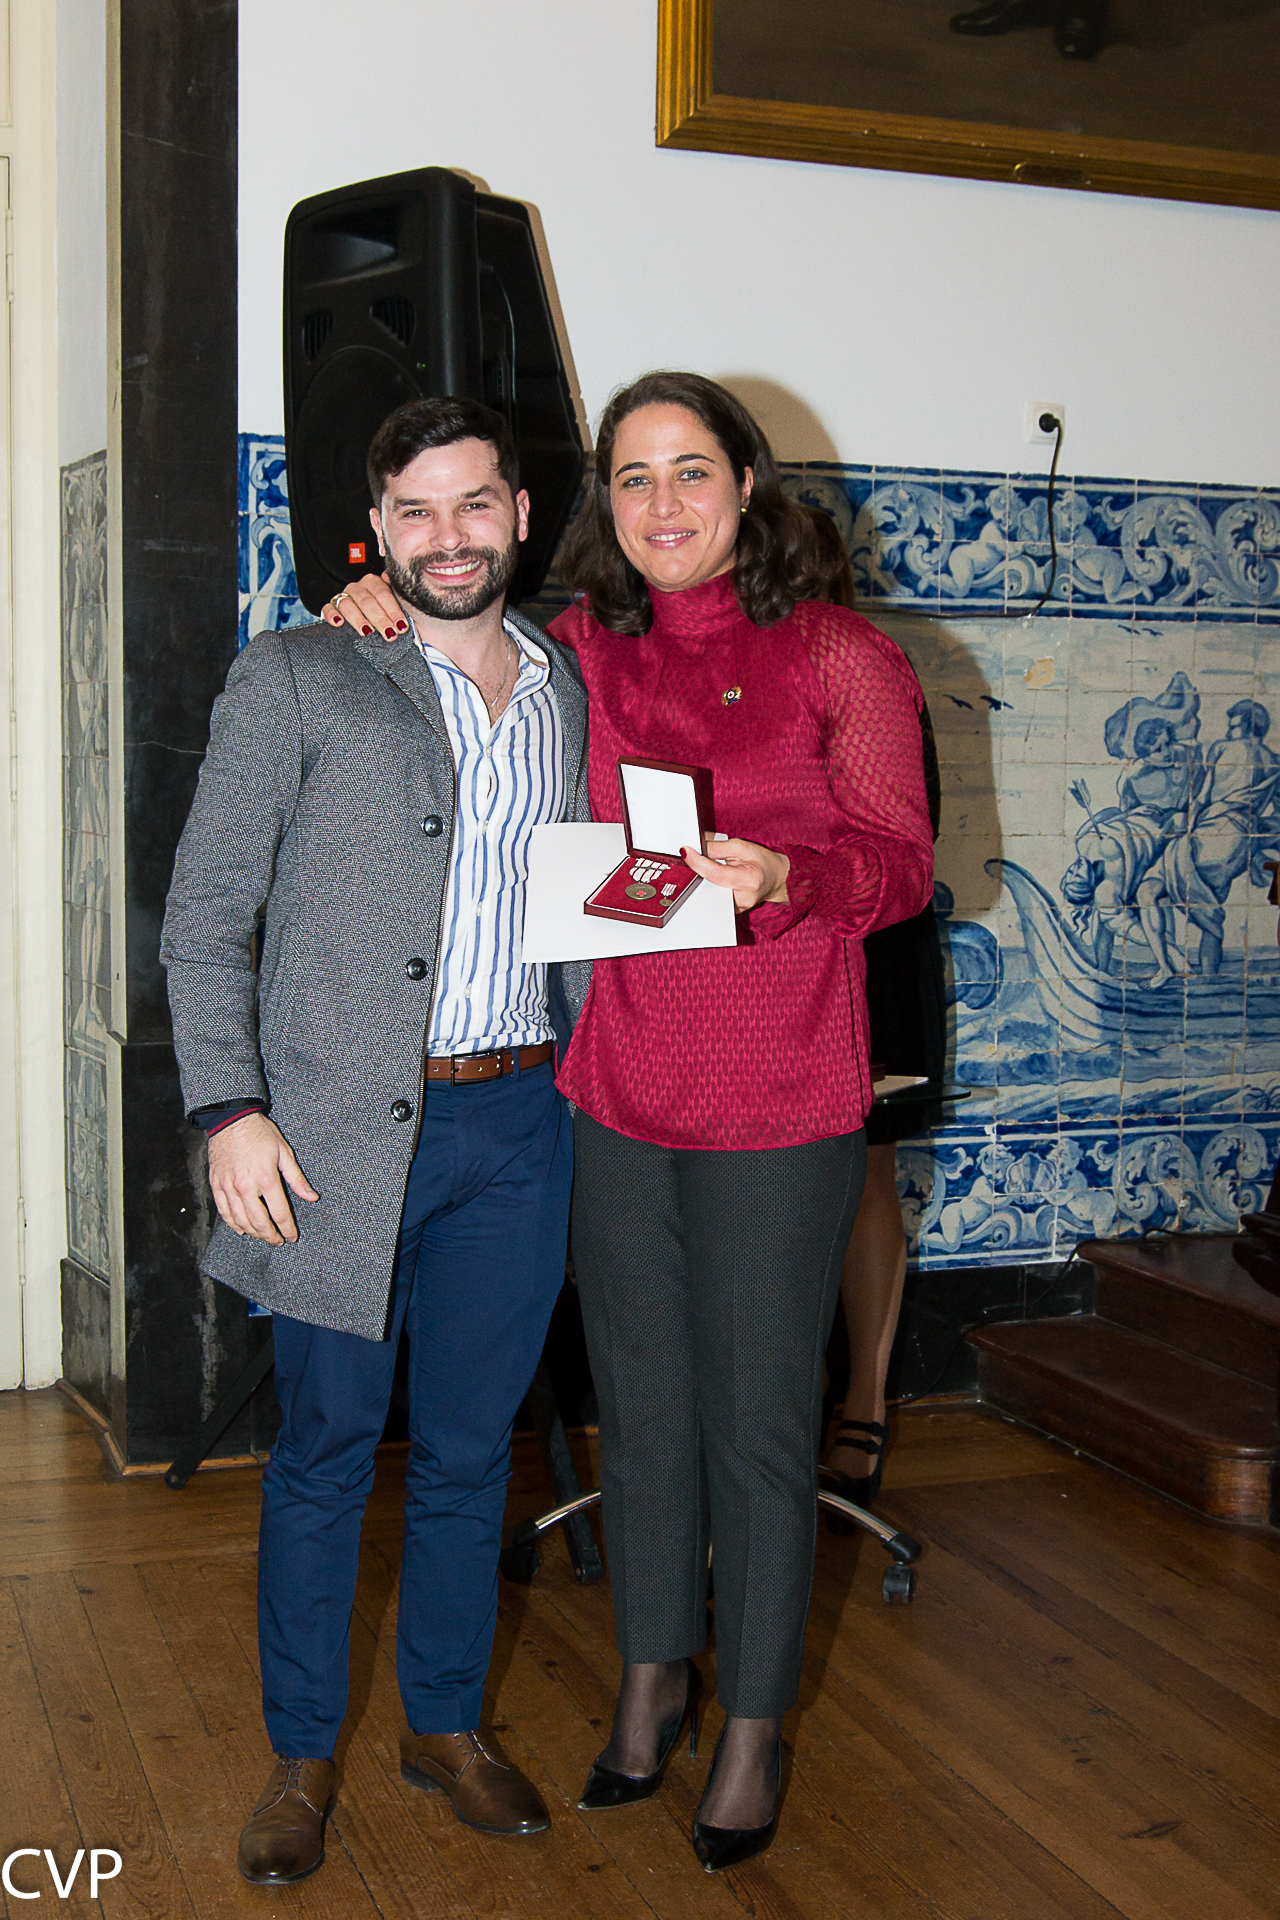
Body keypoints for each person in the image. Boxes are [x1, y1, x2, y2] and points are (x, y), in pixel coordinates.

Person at [330, 371, 933, 1873]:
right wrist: (361, 603)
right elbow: (451, 638)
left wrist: (789, 876)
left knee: (759, 1420)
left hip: (779, 1088)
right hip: (613, 1087)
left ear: (746, 484)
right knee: (642, 1411)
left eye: (691, 471)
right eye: (633, 477)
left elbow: (902, 868)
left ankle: (755, 1721)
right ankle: (654, 1675)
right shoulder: (579, 649)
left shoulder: (843, 656)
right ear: (602, 500)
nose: (663, 504)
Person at [161, 396, 592, 1886]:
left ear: (520, 514)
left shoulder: (574, 685)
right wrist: (229, 1110)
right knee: (326, 1451)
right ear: (376, 530)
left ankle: (445, 1727)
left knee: (472, 1450)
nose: (446, 537)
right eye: (415, 511)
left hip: (521, 1120)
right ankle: (300, 1756)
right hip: (332, 1134)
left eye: (474, 505)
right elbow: (203, 917)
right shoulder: (299, 673)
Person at [802, 510, 947, 1517]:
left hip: (873, 948)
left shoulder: (869, 670)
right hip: (761, 952)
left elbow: (902, 836)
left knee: (864, 1172)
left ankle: (862, 1406)